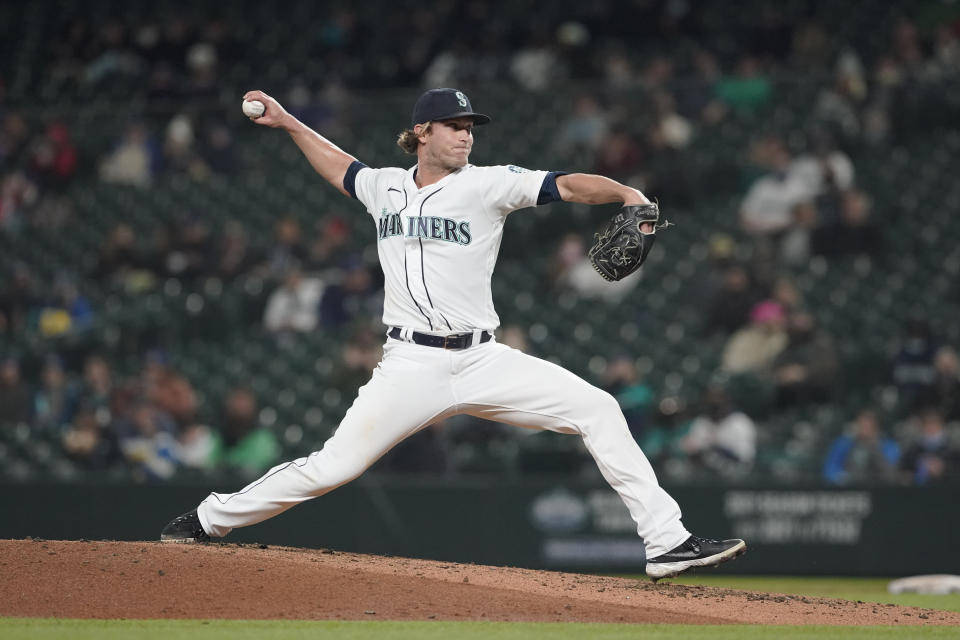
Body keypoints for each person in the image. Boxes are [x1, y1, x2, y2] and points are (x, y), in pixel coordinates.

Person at [160, 87, 745, 580]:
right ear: (422, 131)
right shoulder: (384, 185)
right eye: (454, 126)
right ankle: (209, 519)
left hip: (482, 359)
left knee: (597, 407)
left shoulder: (487, 185)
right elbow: (342, 167)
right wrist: (288, 122)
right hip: (410, 366)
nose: (466, 136)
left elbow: (566, 185)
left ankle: (666, 543)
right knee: (331, 468)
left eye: (470, 127)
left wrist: (625, 194)